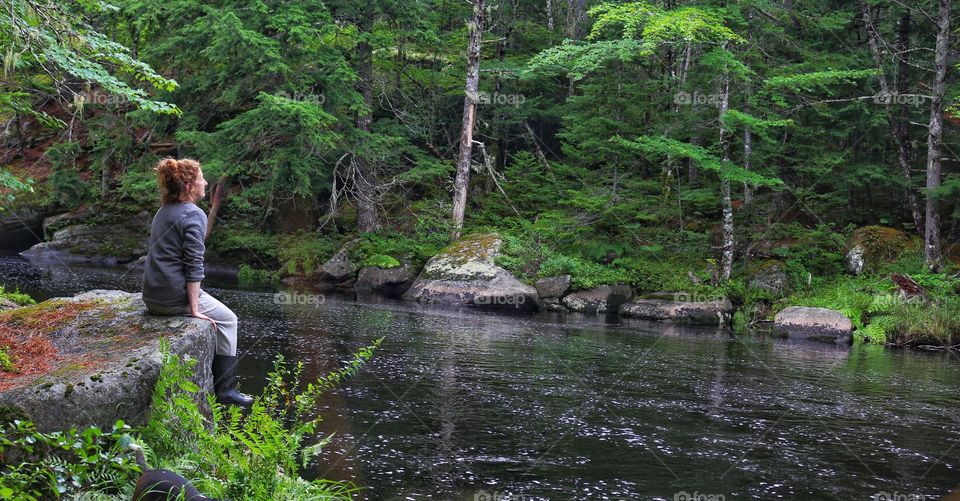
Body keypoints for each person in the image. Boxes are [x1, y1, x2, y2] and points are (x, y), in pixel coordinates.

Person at [141, 157, 253, 407]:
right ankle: (225, 390)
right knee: (229, 319)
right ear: (190, 185)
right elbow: (194, 265)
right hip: (172, 298)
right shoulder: (193, 213)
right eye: (201, 178)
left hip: (152, 297)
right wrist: (194, 309)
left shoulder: (164, 210)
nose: (205, 182)